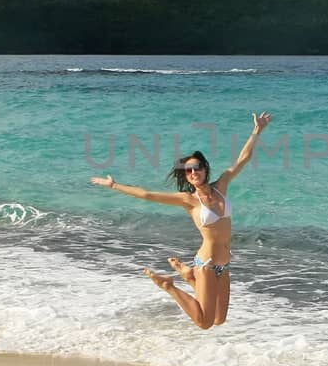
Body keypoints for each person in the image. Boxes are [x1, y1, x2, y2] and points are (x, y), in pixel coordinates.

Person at [90, 112, 272, 329]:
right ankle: (169, 285)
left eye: (197, 168)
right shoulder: (188, 200)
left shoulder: (221, 185)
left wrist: (256, 131)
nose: (193, 172)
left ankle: (187, 275)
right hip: (206, 263)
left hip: (224, 263)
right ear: (186, 176)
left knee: (219, 320)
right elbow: (148, 195)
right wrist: (114, 185)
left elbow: (243, 159)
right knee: (204, 322)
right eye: (188, 171)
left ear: (205, 169)